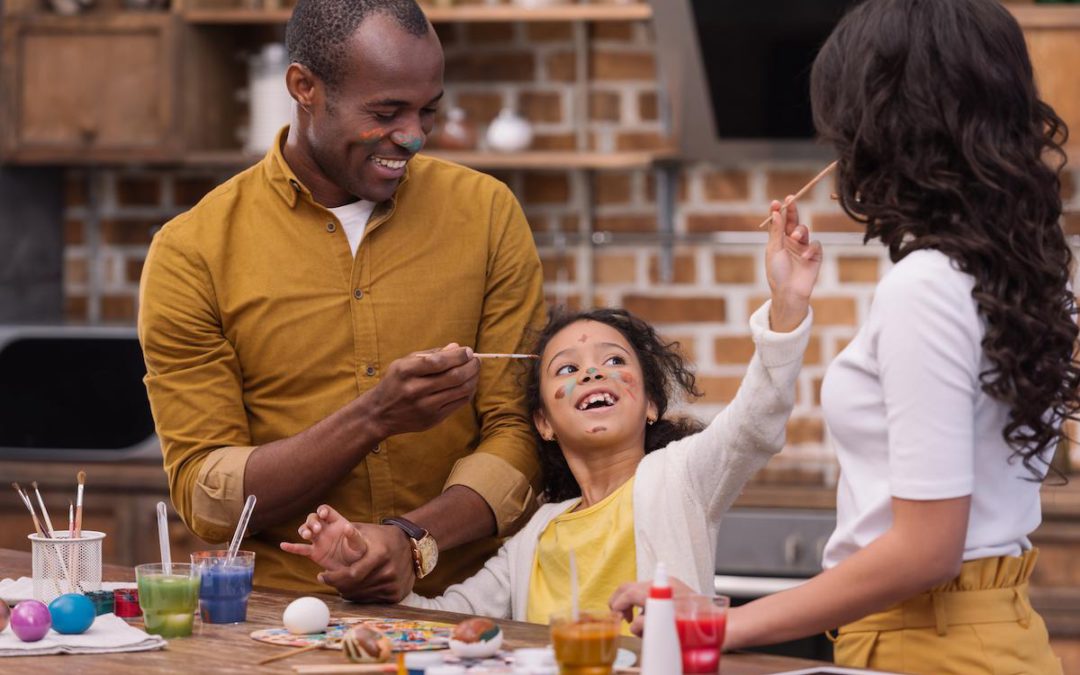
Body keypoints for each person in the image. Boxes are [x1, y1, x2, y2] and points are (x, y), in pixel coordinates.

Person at [616, 1, 1075, 672]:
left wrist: (724, 621)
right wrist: (787, 304)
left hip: (927, 644)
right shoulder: (1025, 266)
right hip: (996, 632)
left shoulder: (924, 285)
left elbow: (925, 549)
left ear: (886, 123)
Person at [137, 0, 546, 601]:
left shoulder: (486, 215)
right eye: (385, 112)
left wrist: (413, 540)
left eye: (426, 111)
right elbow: (207, 490)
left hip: (466, 608)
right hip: (278, 617)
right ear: (304, 87)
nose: (411, 136)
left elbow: (520, 429)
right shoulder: (193, 250)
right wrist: (372, 417)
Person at [281, 198, 821, 626]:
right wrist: (363, 571)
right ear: (542, 421)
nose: (591, 373)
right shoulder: (535, 534)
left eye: (614, 361)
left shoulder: (681, 478)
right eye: (566, 369)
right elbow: (448, 623)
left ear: (653, 403)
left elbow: (754, 422)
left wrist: (787, 306)